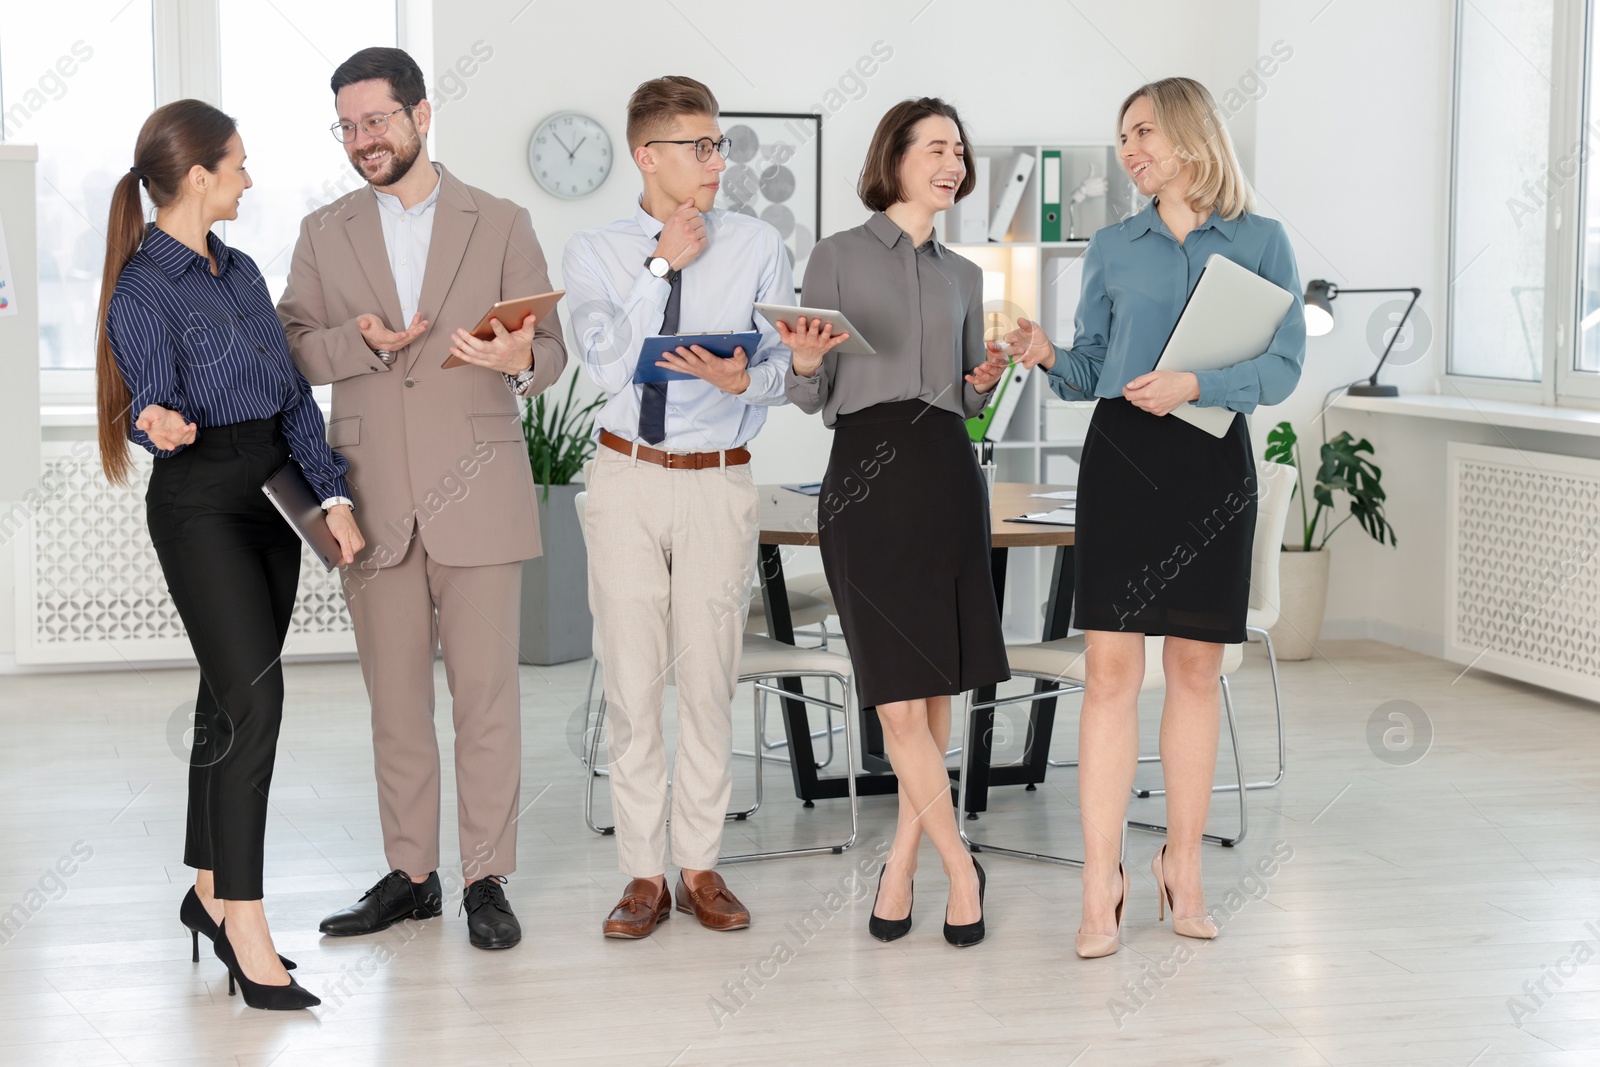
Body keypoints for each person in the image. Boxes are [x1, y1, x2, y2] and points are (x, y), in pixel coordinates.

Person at [1000, 77, 1306, 957]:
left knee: (1198, 673)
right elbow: (1089, 364)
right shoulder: (1113, 245)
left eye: (1143, 132)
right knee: (1108, 674)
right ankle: (1103, 880)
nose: (1130, 150)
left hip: (1212, 461)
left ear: (1188, 133)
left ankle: (1184, 864)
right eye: (1123, 136)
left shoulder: (1263, 240)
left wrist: (1198, 385)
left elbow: (1281, 367)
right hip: (1124, 460)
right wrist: (1046, 352)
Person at [278, 47, 567, 951]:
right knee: (395, 702)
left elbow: (549, 348)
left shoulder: (503, 220)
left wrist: (522, 359)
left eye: (378, 120)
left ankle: (487, 876)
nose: (364, 139)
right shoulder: (324, 231)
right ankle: (412, 877)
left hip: (480, 492)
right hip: (368, 496)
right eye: (349, 125)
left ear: (421, 115)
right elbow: (291, 347)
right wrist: (357, 342)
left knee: (486, 700)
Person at [97, 99, 363, 1010]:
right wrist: (154, 421)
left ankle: (207, 889)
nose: (250, 178)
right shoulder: (141, 288)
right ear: (200, 175)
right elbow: (152, 403)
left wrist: (332, 495)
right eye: (240, 165)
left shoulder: (243, 270)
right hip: (200, 500)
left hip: (273, 496)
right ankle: (246, 924)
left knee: (225, 700)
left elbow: (292, 395)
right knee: (258, 706)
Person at [562, 75, 795, 940]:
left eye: (719, 144)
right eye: (700, 146)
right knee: (632, 682)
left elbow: (781, 367)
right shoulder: (594, 249)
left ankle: (699, 866)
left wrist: (750, 378)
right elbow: (603, 363)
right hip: (626, 478)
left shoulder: (760, 245)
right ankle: (641, 874)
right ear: (647, 156)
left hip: (719, 478)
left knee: (707, 681)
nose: (717, 161)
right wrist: (662, 264)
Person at [784, 97, 1011, 947]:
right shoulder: (836, 256)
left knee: (938, 681)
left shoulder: (966, 274)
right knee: (897, 701)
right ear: (897, 156)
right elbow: (811, 392)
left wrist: (985, 378)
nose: (952, 162)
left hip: (948, 468)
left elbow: (966, 393)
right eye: (936, 148)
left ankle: (903, 863)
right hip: (867, 477)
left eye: (960, 148)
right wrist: (804, 360)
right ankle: (961, 867)